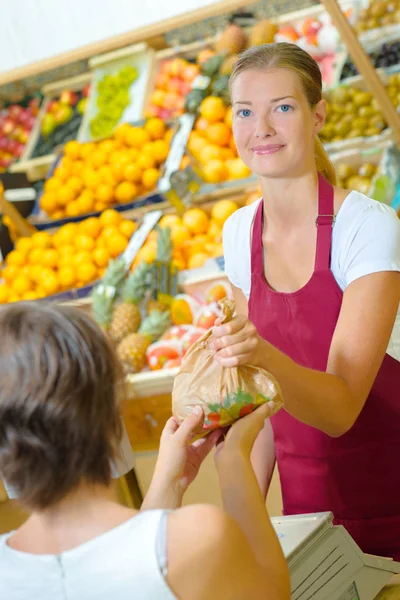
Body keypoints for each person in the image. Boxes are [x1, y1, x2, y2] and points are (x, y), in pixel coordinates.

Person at [214, 42, 400, 560]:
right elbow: (261, 405)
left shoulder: (366, 226)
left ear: (317, 115)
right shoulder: (238, 234)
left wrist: (258, 353)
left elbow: (340, 409)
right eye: (245, 111)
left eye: (283, 108)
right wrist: (243, 534)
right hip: (309, 522)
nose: (262, 129)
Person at [0, 302, 290, 600]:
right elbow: (274, 592)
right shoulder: (197, 539)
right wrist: (234, 461)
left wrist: (169, 484)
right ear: (111, 411)